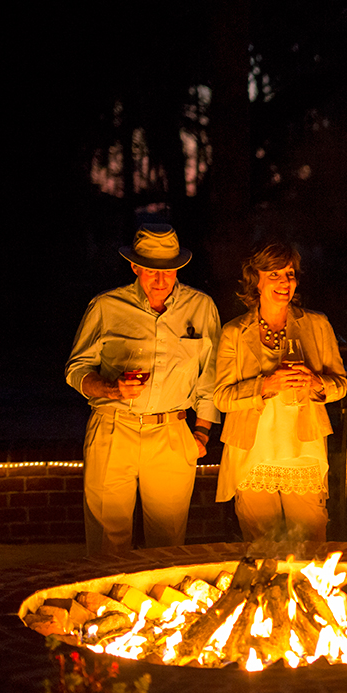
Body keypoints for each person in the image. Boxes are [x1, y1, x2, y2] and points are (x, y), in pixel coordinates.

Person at [66, 223, 221, 555]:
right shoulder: (106, 307)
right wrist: (110, 388)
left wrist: (202, 434)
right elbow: (76, 369)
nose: (161, 280)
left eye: (169, 271)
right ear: (135, 266)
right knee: (107, 540)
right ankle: (108, 607)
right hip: (113, 428)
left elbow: (211, 376)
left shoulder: (201, 308)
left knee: (168, 544)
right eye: (152, 270)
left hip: (171, 431)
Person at [212, 243, 347, 542]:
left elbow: (341, 384)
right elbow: (221, 397)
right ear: (255, 280)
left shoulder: (316, 324)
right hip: (252, 455)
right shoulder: (234, 332)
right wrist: (264, 385)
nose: (285, 282)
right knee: (261, 552)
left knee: (311, 548)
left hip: (304, 452)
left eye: (289, 274)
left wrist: (316, 383)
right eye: (274, 274)